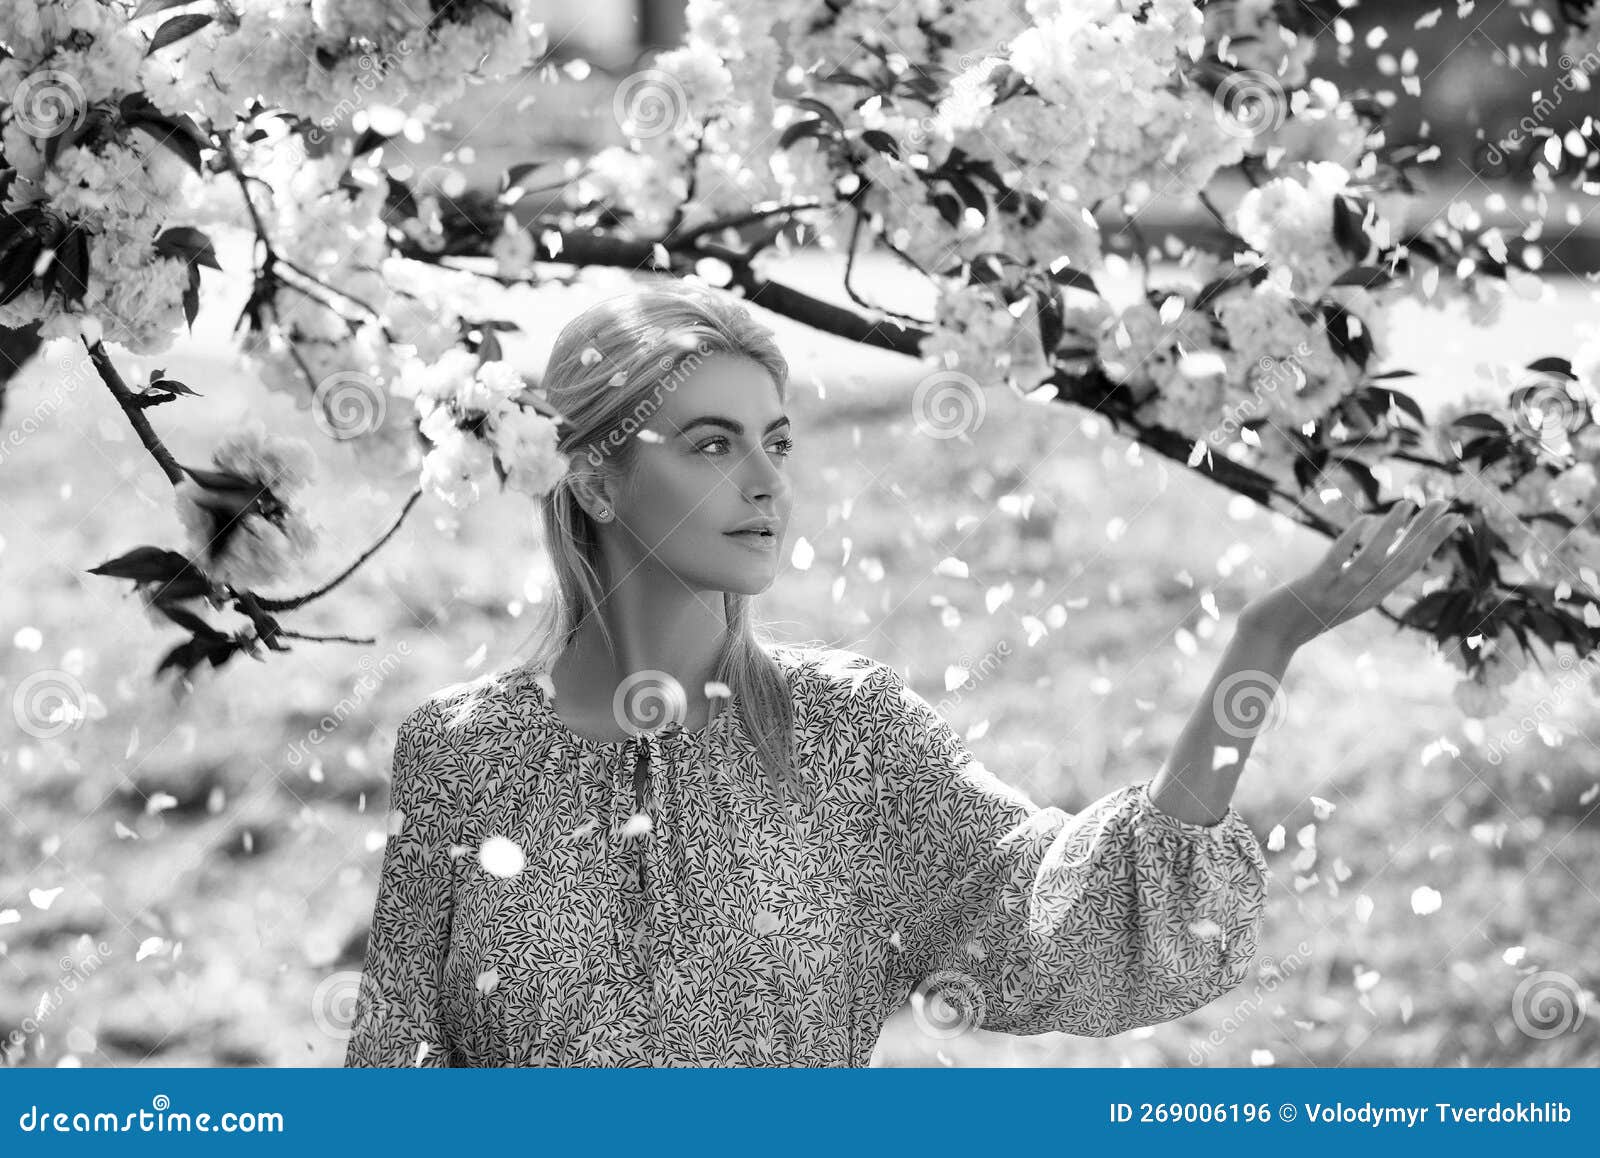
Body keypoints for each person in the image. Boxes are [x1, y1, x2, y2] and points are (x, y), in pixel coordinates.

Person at [342, 282, 1466, 1067]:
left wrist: (1259, 647)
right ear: (590, 481)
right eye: (710, 443)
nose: (766, 484)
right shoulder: (461, 749)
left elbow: (1080, 917)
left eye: (776, 441)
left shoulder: (844, 737)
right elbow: (393, 1066)